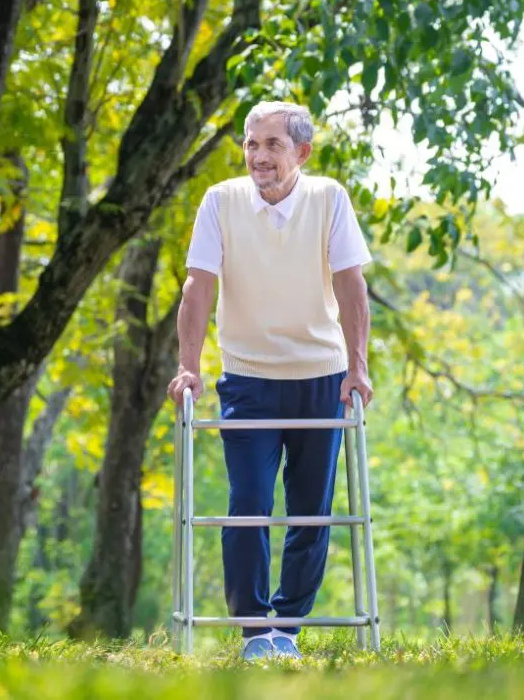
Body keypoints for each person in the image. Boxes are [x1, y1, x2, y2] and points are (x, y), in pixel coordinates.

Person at [167, 100, 374, 661]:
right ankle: (256, 630)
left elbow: (352, 286)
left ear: (301, 153)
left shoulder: (329, 198)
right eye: (251, 145)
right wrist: (190, 364)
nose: (259, 157)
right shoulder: (221, 202)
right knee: (250, 504)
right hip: (249, 378)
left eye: (272, 145)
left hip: (320, 375)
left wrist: (358, 366)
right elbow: (198, 288)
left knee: (311, 509)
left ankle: (289, 626)